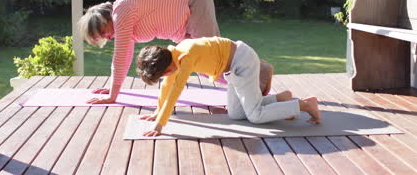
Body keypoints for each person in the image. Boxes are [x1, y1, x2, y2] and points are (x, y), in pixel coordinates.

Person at [135, 37, 322, 137]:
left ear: (167, 68)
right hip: (233, 69)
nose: (165, 78)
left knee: (255, 116)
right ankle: (282, 99)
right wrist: (158, 112)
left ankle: (305, 105)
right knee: (236, 114)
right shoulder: (172, 56)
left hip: (243, 62)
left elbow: (175, 91)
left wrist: (160, 125)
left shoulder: (185, 57)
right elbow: (168, 85)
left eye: (162, 75)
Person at [77, 0, 220, 104]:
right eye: (102, 37)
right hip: (190, 10)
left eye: (103, 32)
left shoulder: (121, 13)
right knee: (203, 65)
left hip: (195, 2)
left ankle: (239, 82)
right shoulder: (123, 14)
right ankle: (237, 82)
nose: (107, 38)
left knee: (213, 60)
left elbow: (120, 55)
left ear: (106, 18)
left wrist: (112, 96)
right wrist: (114, 88)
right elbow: (126, 56)